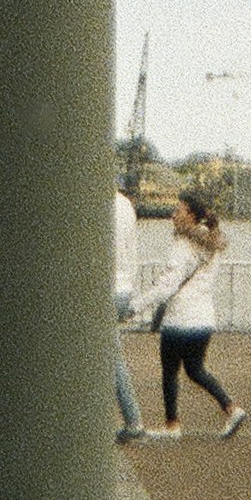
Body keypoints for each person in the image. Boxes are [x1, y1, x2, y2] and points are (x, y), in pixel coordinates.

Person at [131, 191, 246, 439]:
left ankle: (172, 425)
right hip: (204, 319)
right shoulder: (212, 247)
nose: (173, 215)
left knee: (170, 371)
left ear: (191, 216)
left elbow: (167, 286)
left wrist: (136, 306)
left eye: (179, 210)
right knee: (195, 369)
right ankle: (231, 408)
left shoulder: (182, 246)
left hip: (179, 319)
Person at [113, 185, 146, 440]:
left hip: (104, 289)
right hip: (124, 288)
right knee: (111, 357)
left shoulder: (93, 205)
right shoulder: (125, 205)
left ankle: (133, 421)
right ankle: (132, 420)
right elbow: (132, 252)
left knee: (111, 360)